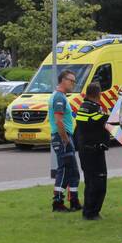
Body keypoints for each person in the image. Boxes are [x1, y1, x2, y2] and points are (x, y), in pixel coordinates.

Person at [74, 82, 110, 220]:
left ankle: (88, 211)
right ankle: (92, 212)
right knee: (98, 182)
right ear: (98, 94)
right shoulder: (93, 109)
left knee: (90, 181)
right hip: (94, 151)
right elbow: (103, 120)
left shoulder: (83, 107)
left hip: (86, 151)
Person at [49, 69, 81, 212]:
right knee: (66, 170)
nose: (73, 84)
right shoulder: (59, 98)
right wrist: (65, 139)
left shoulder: (61, 96)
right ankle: (58, 202)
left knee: (73, 171)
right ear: (63, 80)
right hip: (63, 137)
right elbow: (58, 121)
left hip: (65, 136)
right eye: (71, 80)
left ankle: (74, 200)